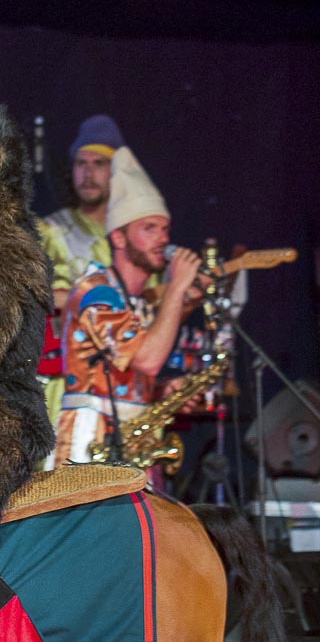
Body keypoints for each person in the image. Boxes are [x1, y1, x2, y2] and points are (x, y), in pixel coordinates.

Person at [55, 146, 202, 466]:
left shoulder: (140, 303)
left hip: (133, 442)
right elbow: (147, 360)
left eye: (164, 229)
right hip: (89, 444)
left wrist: (166, 392)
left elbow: (136, 377)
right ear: (119, 239)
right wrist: (178, 288)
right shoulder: (95, 293)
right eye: (148, 229)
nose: (162, 239)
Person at [35, 115, 124, 462]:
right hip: (62, 383)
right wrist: (81, 296)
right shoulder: (53, 231)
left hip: (118, 380)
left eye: (99, 164)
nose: (88, 173)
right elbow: (30, 294)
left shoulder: (132, 238)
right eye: (81, 164)